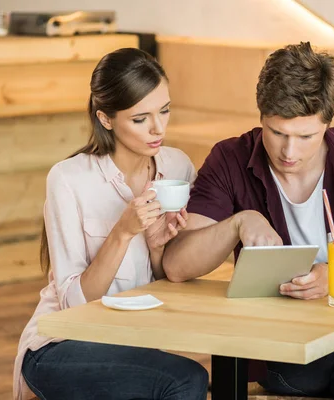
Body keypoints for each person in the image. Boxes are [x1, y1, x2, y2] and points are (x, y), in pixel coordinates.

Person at [162, 42, 334, 400]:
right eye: (276, 133)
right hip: (282, 355)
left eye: (306, 136)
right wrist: (237, 223)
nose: (289, 153)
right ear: (261, 116)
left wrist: (332, 279)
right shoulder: (230, 160)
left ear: (328, 123)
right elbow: (177, 265)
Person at [13, 48, 208, 400]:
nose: (158, 128)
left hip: (132, 341)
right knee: (184, 380)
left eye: (164, 111)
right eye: (140, 118)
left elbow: (170, 282)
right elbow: (75, 305)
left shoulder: (178, 169)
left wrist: (156, 247)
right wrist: (123, 232)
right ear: (105, 119)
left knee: (193, 377)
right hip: (61, 342)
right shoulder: (69, 179)